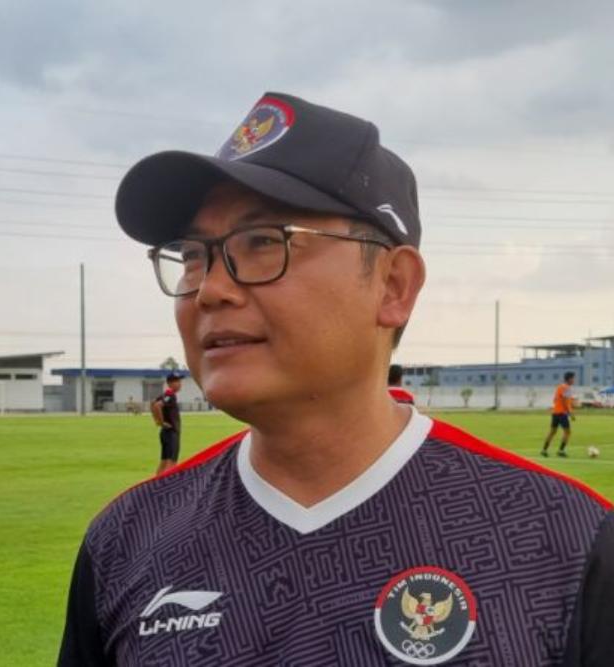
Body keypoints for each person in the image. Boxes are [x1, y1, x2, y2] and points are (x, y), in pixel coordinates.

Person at [58, 92, 613, 665]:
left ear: (394, 286)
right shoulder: (127, 539)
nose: (211, 290)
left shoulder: (565, 541)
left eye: (263, 242)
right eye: (194, 255)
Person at [149, 373, 183, 474]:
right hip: (171, 432)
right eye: (176, 381)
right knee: (171, 462)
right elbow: (157, 406)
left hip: (165, 433)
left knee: (164, 462)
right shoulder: (170, 395)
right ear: (169, 383)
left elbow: (152, 403)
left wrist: (156, 420)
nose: (180, 384)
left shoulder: (165, 395)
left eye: (179, 381)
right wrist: (161, 422)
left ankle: (157, 483)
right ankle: (169, 483)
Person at [542, 371, 576, 458]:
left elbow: (555, 400)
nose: (574, 380)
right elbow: (564, 400)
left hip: (555, 412)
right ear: (569, 379)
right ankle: (561, 450)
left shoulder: (560, 387)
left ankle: (544, 450)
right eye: (573, 378)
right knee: (567, 432)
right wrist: (570, 412)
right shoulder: (566, 388)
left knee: (552, 432)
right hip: (562, 413)